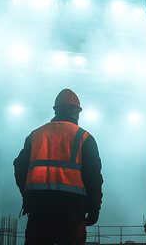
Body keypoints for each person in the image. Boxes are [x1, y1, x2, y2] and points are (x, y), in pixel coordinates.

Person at [13, 89, 103, 245]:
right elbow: (94, 178)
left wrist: (28, 196)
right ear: (77, 113)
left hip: (39, 210)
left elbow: (19, 167)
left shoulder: (35, 135)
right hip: (72, 213)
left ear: (55, 110)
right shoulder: (84, 138)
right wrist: (94, 209)